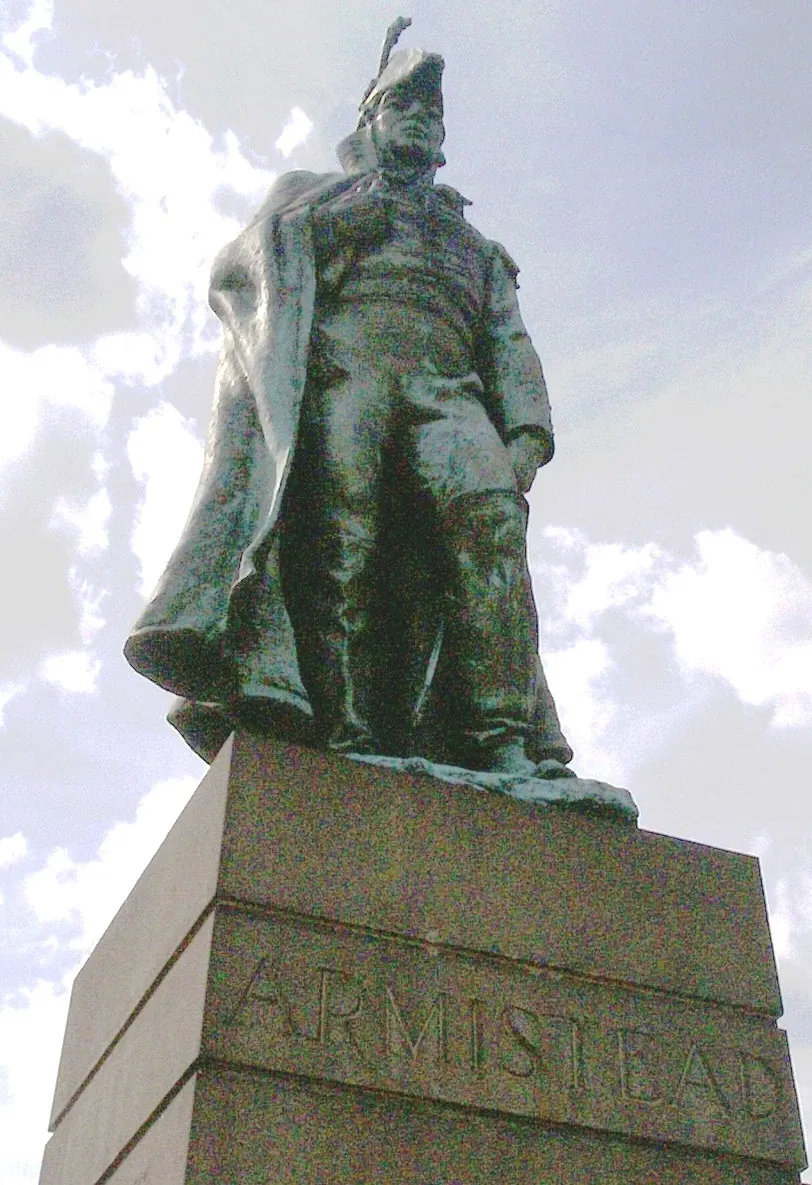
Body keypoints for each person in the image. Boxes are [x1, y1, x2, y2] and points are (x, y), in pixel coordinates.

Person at [124, 31, 573, 777]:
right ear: (369, 120)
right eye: (403, 103)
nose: (421, 119)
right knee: (341, 541)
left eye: (432, 113)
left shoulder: (475, 243)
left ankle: (503, 737)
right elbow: (239, 269)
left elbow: (508, 338)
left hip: (448, 395)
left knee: (491, 526)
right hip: (345, 381)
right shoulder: (312, 195)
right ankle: (345, 727)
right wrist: (329, 228)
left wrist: (527, 431)